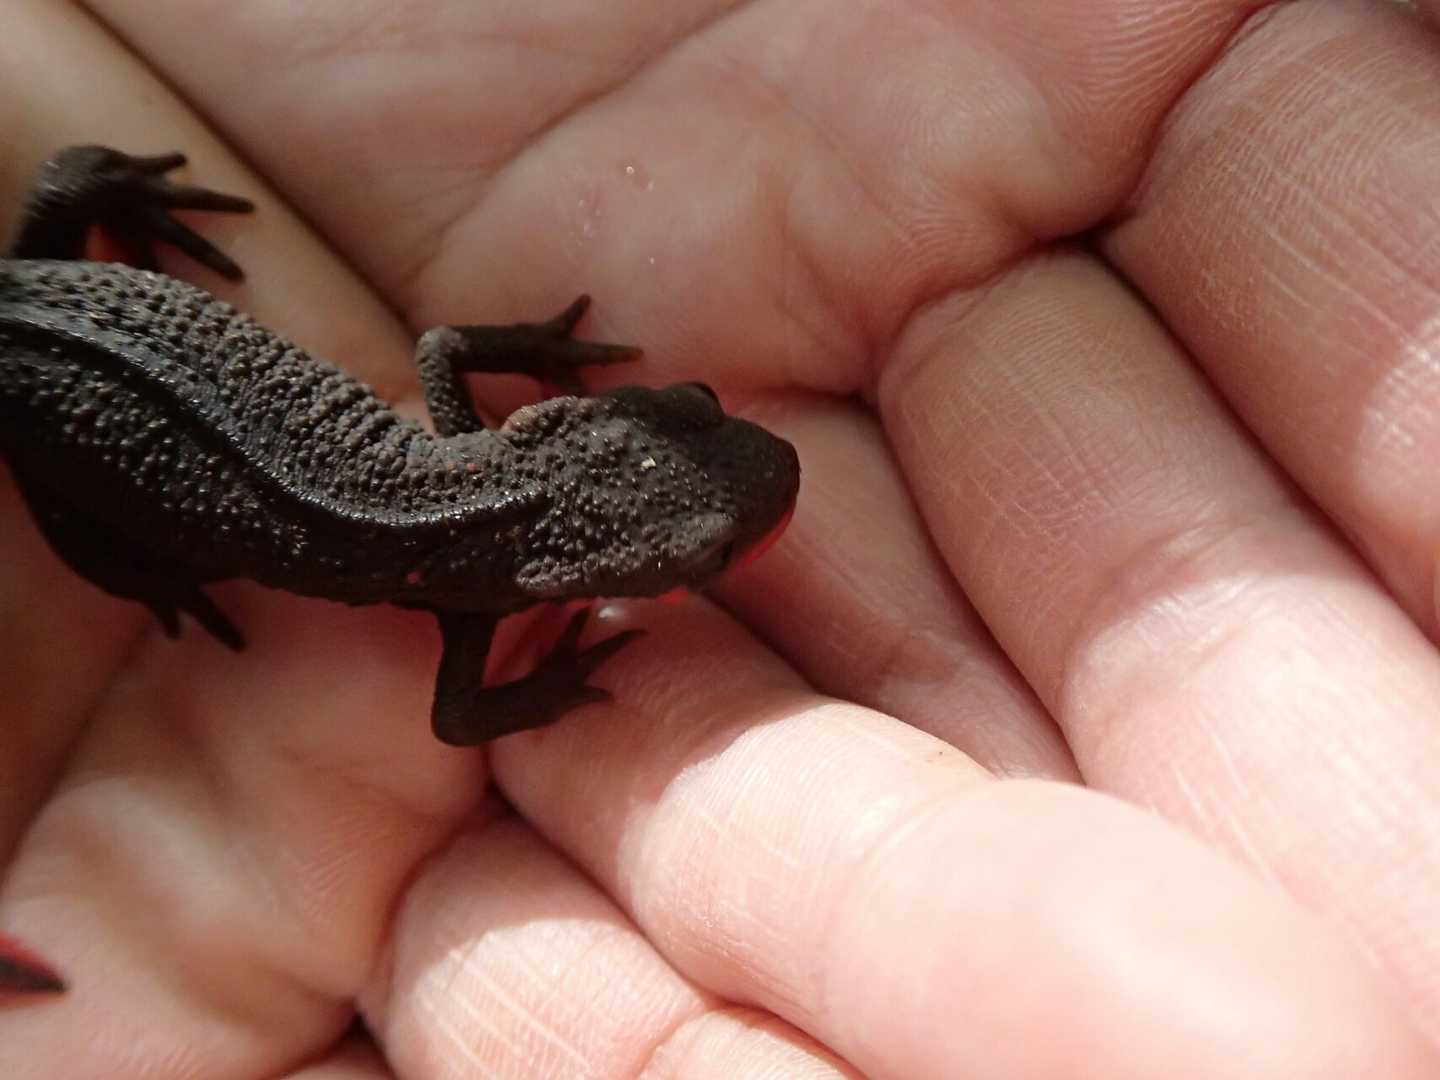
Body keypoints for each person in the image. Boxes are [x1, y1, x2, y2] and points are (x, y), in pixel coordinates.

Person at [3, 2, 1439, 1075]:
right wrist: (557, 680)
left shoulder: (456, 531)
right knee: (103, 519)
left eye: (677, 416)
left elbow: (446, 381)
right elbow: (460, 711)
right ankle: (123, 513)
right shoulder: (458, 584)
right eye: (698, 555)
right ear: (574, 565)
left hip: (56, 291)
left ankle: (89, 261)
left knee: (76, 319)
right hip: (49, 364)